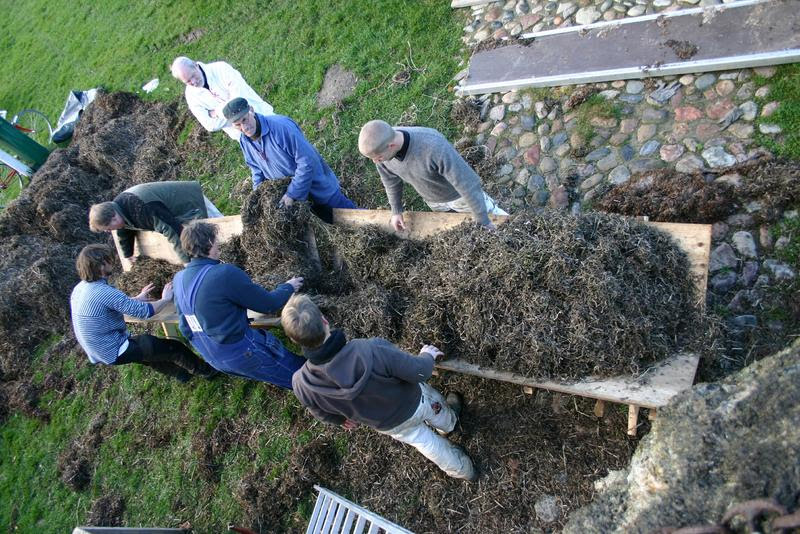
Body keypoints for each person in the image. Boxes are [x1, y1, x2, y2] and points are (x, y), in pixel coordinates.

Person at [281, 293, 478, 482]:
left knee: (426, 443)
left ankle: (463, 470)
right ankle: (450, 424)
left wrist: (340, 420)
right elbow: (418, 372)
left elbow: (319, 412)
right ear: (325, 321)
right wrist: (427, 356)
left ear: (294, 340)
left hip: (387, 424)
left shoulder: (301, 384)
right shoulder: (370, 350)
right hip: (415, 401)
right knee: (435, 408)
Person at [173, 221, 305, 389]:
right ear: (209, 243)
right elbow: (269, 304)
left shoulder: (178, 279)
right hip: (242, 351)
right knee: (299, 376)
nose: (218, 242)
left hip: (213, 358)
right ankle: (331, 402)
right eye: (216, 239)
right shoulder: (223, 274)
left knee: (279, 374)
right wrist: (288, 287)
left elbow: (185, 328)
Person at [70, 244, 216, 382]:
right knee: (173, 348)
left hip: (98, 351)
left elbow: (110, 306)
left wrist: (137, 299)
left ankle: (182, 376)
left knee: (149, 356)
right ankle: (207, 371)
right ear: (101, 266)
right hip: (114, 348)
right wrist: (165, 299)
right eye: (109, 260)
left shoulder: (81, 288)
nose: (112, 263)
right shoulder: (103, 292)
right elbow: (145, 312)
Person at [222, 97, 357, 223]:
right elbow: (256, 170)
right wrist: (259, 197)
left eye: (245, 120)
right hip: (297, 201)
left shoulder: (281, 128)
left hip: (317, 187)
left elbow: (307, 161)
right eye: (237, 125)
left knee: (351, 217)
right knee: (327, 224)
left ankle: (376, 225)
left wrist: (293, 193)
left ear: (251, 110)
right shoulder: (244, 141)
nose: (244, 128)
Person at [358, 119, 507, 232]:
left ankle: (512, 224)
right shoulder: (381, 148)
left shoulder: (433, 146)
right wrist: (396, 211)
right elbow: (390, 181)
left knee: (496, 219)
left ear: (391, 146)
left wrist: (484, 220)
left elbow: (467, 184)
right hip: (433, 200)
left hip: (459, 197)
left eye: (377, 157)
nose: (375, 162)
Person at [89, 180, 222, 265]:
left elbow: (173, 230)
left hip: (190, 202)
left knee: (218, 230)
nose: (108, 231)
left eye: (107, 228)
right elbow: (124, 231)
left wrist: (187, 262)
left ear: (113, 217)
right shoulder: (119, 207)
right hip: (175, 212)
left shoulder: (141, 209)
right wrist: (128, 254)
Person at [170, 56, 274, 140]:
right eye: (188, 81)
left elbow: (239, 98)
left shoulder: (221, 68)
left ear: (196, 66)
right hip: (242, 136)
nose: (193, 82)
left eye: (193, 76)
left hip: (263, 116)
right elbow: (209, 125)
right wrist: (238, 113)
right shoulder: (191, 96)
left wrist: (217, 112)